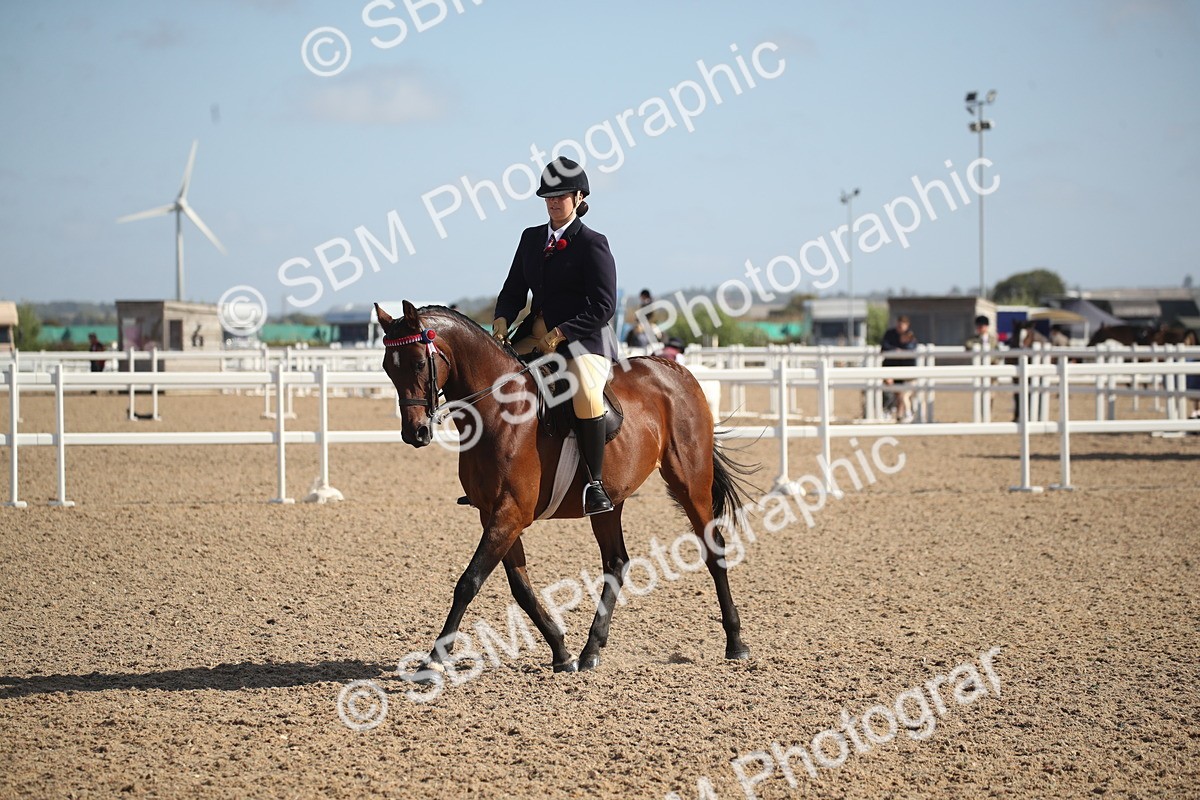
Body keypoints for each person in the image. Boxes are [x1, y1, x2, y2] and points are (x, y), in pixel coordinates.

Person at [492, 157, 618, 515]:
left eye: (561, 195)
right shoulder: (531, 238)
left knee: (588, 395)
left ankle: (595, 484)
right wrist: (502, 319)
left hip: (584, 341)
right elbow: (513, 289)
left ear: (579, 197)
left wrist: (562, 333)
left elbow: (603, 305)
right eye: (548, 196)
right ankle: (493, 475)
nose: (553, 201)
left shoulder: (593, 243)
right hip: (533, 337)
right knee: (493, 379)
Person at [881, 315, 918, 422]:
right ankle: (889, 412)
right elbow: (884, 347)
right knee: (890, 391)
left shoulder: (910, 336)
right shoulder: (890, 334)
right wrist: (896, 350)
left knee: (902, 394)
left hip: (904, 369)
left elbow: (911, 348)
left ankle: (901, 414)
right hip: (890, 367)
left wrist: (898, 350)